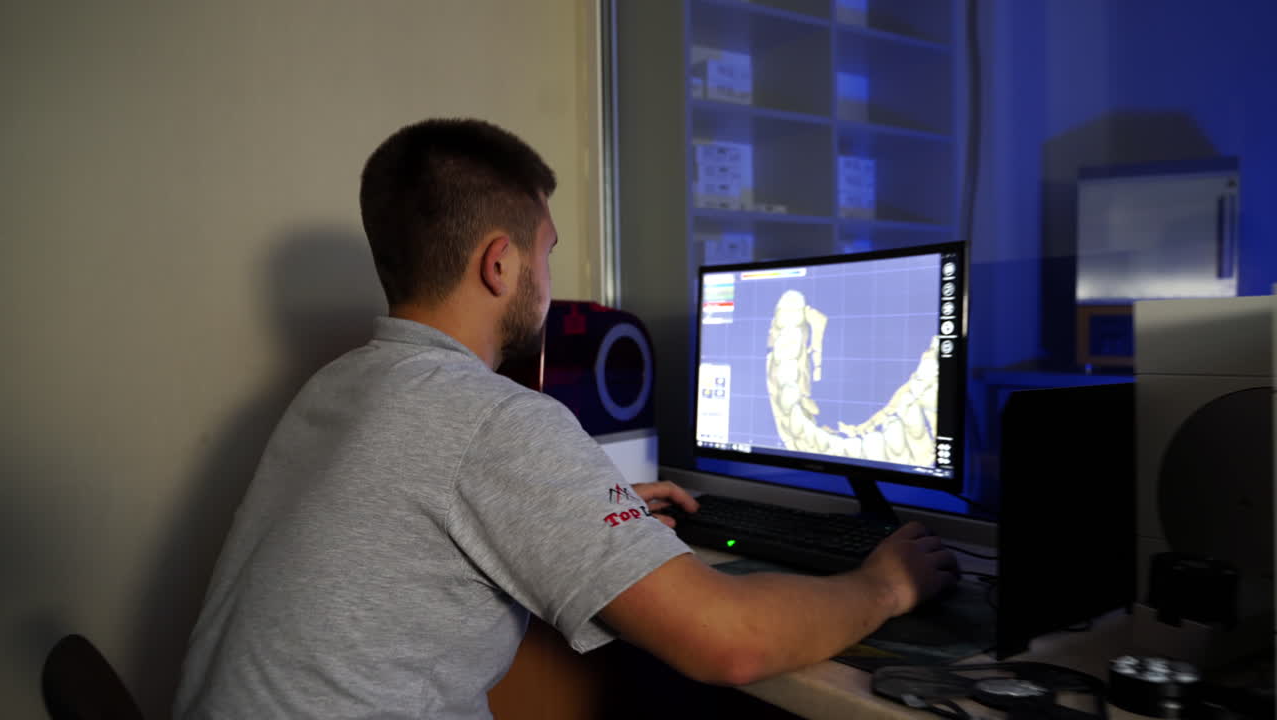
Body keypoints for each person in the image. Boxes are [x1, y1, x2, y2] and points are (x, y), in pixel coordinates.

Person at [174, 118, 958, 719]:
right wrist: (885, 586)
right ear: (499, 263)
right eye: (545, 253)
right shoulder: (490, 420)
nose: (549, 280)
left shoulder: (337, 387)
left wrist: (589, 514)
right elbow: (734, 642)